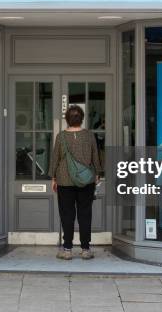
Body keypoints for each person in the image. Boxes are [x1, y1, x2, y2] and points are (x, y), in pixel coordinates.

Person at [49, 105, 102, 260]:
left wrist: (53, 177)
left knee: (67, 214)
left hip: (64, 180)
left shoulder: (61, 136)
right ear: (82, 119)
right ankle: (85, 249)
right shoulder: (89, 135)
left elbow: (55, 159)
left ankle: (67, 250)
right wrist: (98, 173)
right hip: (86, 181)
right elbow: (95, 157)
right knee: (85, 213)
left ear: (67, 119)